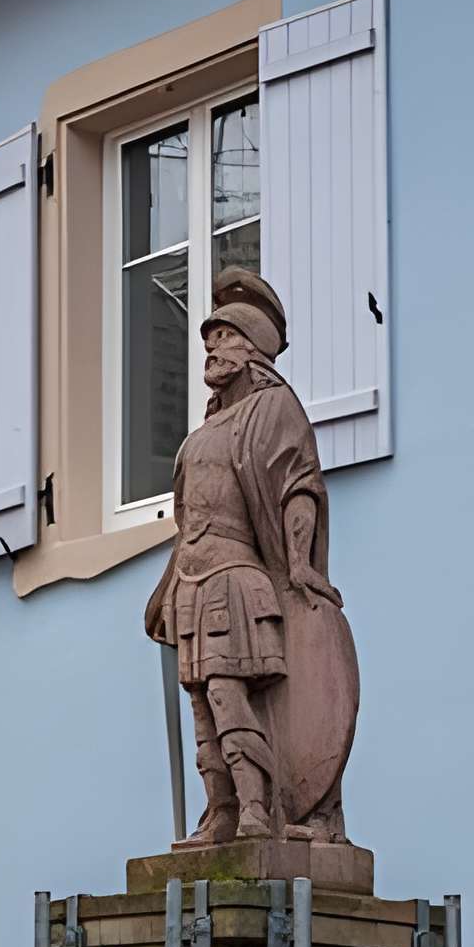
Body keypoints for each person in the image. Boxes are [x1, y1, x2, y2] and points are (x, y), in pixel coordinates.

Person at [144, 270, 358, 845]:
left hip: (236, 578)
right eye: (208, 337)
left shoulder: (273, 409)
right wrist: (166, 588)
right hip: (192, 581)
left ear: (254, 347)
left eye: (224, 335)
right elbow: (187, 521)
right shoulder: (199, 436)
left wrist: (301, 562)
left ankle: (258, 808)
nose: (209, 345)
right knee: (201, 704)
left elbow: (298, 486)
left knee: (226, 690)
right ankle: (221, 809)